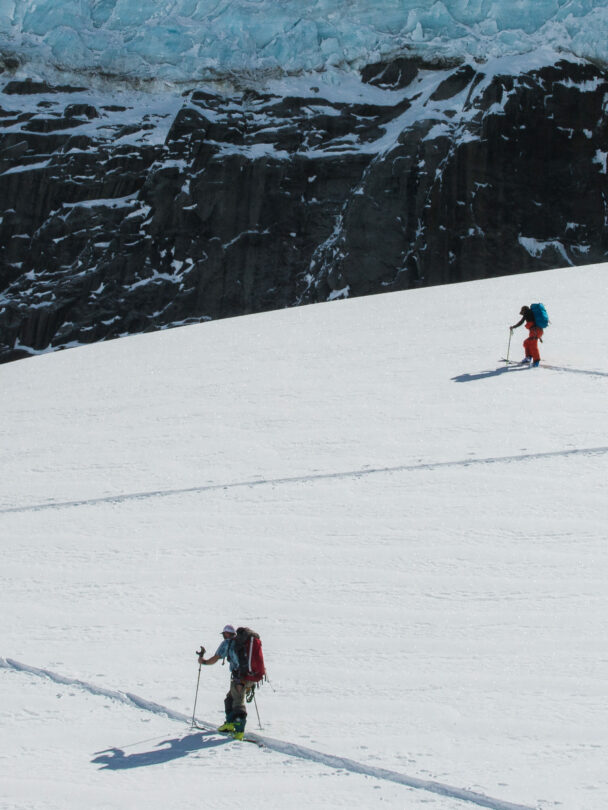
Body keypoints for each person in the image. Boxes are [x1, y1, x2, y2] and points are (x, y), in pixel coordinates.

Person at [197, 624, 254, 740]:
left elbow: (215, 658)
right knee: (230, 698)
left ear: (227, 634)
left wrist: (203, 661)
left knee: (237, 701)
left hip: (239, 676)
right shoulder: (244, 643)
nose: (224, 636)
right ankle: (229, 723)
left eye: (224, 634)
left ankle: (239, 731)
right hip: (250, 676)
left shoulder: (227, 643)